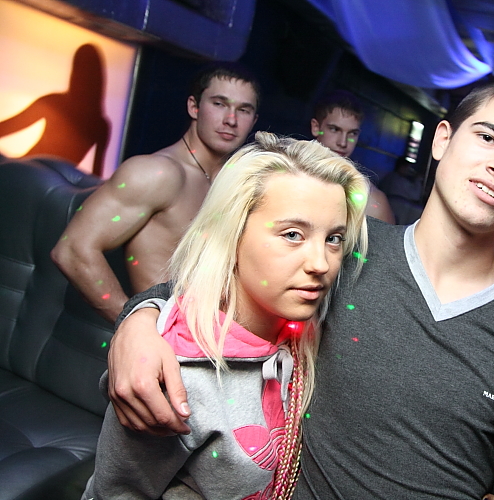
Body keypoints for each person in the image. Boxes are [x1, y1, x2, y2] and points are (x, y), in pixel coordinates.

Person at [104, 78, 494, 499]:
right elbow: (215, 287)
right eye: (488, 138)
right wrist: (140, 321)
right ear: (442, 139)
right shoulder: (347, 251)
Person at [82, 132, 369, 500]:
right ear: (232, 235)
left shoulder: (314, 332)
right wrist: (139, 318)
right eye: (293, 234)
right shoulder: (175, 375)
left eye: (333, 239)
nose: (321, 264)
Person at [51, 63, 260, 323]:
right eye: (219, 104)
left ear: (254, 120)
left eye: (243, 110)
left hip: (213, 337)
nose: (231, 119)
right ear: (193, 107)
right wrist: (136, 326)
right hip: (164, 336)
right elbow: (72, 250)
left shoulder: (235, 184)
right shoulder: (158, 173)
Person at [0, 43, 111, 176]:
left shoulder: (55, 103)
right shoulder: (100, 126)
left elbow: (7, 127)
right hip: (31, 176)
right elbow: (96, 177)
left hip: (26, 174)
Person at [310, 89, 395, 223]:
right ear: (316, 128)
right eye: (334, 129)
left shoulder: (371, 199)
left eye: (352, 133)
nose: (343, 142)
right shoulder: (287, 176)